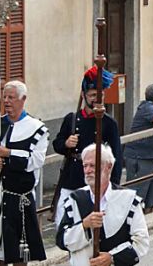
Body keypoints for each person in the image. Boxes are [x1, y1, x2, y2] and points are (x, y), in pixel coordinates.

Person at [0, 81, 49, 265]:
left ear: (23, 99)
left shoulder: (37, 128)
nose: (6, 101)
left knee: (19, 253)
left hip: (19, 198)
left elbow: (35, 161)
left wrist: (9, 154)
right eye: (4, 97)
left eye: (11, 97)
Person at [56, 144, 150, 266]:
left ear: (108, 167)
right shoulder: (75, 200)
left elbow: (141, 242)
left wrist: (112, 258)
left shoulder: (128, 199)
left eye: (93, 165)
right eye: (85, 166)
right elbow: (62, 241)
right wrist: (84, 225)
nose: (88, 170)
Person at [52, 67, 124, 225]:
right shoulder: (72, 119)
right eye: (92, 95)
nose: (97, 99)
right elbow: (57, 144)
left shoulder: (109, 123)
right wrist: (66, 143)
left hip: (95, 181)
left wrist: (114, 186)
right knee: (65, 224)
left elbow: (116, 156)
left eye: (100, 95)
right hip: (72, 177)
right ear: (83, 95)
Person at [123, 82, 153, 212]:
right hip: (140, 156)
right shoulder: (147, 107)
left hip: (152, 157)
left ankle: (145, 217)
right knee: (137, 192)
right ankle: (129, 222)